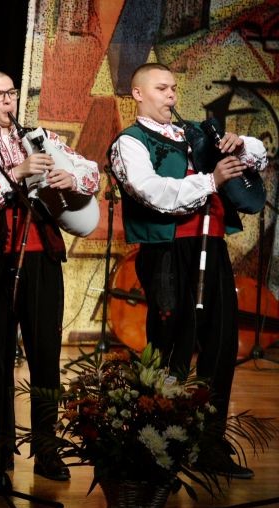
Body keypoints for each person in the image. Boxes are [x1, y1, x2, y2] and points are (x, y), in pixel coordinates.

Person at [109, 62, 267, 479]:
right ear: (138, 93)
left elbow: (258, 157)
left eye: (174, 88)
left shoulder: (194, 133)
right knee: (170, 345)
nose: (171, 95)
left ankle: (208, 444)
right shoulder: (130, 142)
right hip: (167, 251)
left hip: (211, 246)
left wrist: (240, 143)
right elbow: (151, 192)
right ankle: (157, 446)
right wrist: (210, 181)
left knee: (220, 342)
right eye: (162, 88)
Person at [0, 70, 99, 481]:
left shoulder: (41, 138)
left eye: (12, 93)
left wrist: (71, 178)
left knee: (45, 356)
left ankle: (47, 449)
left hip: (42, 259)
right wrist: (16, 173)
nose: (8, 100)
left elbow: (92, 172)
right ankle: (2, 445)